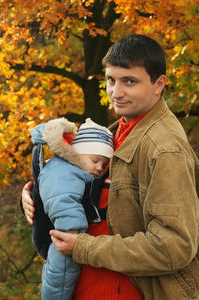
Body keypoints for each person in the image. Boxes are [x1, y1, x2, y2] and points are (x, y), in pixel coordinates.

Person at [21, 34, 199, 300]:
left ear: (158, 84)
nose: (116, 92)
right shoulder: (116, 132)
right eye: (111, 80)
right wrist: (36, 194)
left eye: (130, 81)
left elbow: (173, 247)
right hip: (84, 286)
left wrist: (83, 248)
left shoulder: (164, 149)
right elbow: (84, 184)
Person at [29, 117, 114, 300]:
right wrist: (72, 231)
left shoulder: (75, 169)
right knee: (61, 278)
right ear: (78, 152)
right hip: (63, 235)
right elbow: (61, 200)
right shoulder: (64, 170)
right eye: (95, 160)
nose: (99, 168)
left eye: (104, 164)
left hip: (60, 234)